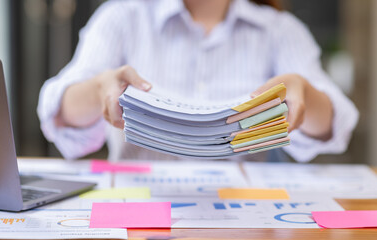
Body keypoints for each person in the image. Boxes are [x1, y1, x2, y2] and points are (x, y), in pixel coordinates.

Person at [37, 0, 359, 162]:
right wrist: (99, 89)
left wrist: (303, 93)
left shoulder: (279, 30)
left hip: (244, 213)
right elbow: (58, 114)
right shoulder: (121, 17)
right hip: (138, 209)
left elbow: (337, 125)